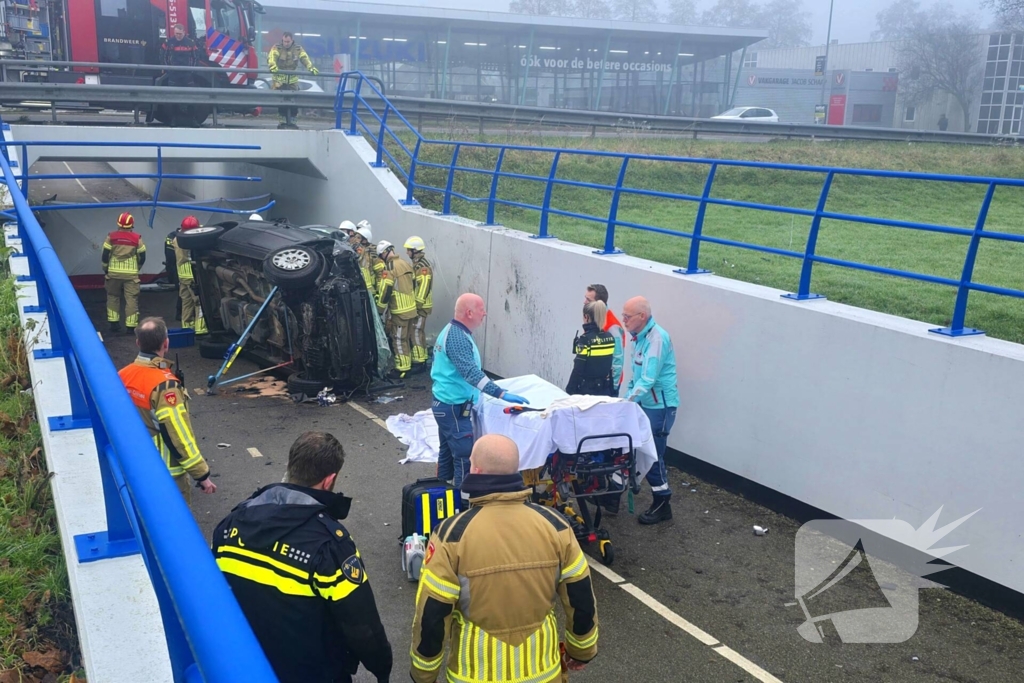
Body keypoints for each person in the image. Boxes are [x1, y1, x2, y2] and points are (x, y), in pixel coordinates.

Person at [409, 434, 598, 683]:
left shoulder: (451, 535)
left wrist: (424, 674)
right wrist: (582, 651)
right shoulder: (556, 525)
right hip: (543, 673)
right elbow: (580, 596)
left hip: (473, 676)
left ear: (476, 470)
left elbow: (432, 614)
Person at [213, 432, 393, 683]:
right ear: (329, 480)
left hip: (246, 664)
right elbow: (361, 624)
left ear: (291, 467)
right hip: (311, 671)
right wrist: (382, 667)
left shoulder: (230, 525)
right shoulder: (329, 545)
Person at [431, 293, 527, 495]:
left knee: (448, 452)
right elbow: (471, 373)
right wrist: (499, 393)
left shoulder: (455, 332)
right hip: (454, 407)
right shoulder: (457, 338)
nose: (485, 313)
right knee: (464, 456)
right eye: (482, 309)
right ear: (469, 313)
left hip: (447, 404)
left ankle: (441, 493)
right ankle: (465, 501)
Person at [118, 317, 216, 502]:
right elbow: (177, 434)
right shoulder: (165, 386)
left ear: (138, 342)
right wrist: (201, 474)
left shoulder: (122, 375)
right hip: (165, 471)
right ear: (166, 343)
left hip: (132, 461)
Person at [622, 296, 679, 525]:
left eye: (627, 316)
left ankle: (663, 503)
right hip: (645, 403)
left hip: (660, 407)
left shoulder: (656, 339)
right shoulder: (639, 337)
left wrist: (625, 403)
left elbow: (647, 379)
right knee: (634, 449)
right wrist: (626, 399)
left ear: (642, 316)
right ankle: (614, 495)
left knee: (653, 455)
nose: (624, 320)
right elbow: (635, 377)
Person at [375, 240, 418, 379]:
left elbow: (385, 291)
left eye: (380, 256)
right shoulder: (405, 263)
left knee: (399, 340)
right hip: (411, 308)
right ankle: (408, 364)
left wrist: (379, 309)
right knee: (406, 338)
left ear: (384, 253)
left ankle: (402, 369)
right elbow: (414, 284)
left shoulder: (389, 268)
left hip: (400, 310)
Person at [102, 212, 146, 334]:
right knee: (131, 299)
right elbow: (142, 256)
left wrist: (106, 268)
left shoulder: (111, 237)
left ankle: (114, 324)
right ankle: (131, 327)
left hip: (113, 273)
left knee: (113, 297)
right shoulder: (137, 238)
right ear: (132, 224)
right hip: (131, 275)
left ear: (118, 224)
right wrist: (137, 268)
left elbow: (105, 255)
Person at [267, 31, 319, 129]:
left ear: (292, 40)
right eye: (284, 41)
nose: (286, 43)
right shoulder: (277, 47)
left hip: (292, 81)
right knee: (281, 102)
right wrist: (272, 65)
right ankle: (282, 122)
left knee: (294, 102)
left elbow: (304, 58)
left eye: (288, 41)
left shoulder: (298, 49)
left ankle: (293, 121)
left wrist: (310, 67)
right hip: (280, 80)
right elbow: (272, 57)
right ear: (282, 40)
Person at [566, 300, 616, 396]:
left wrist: (569, 390)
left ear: (586, 317)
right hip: (605, 390)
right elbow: (610, 367)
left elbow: (578, 368)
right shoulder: (610, 338)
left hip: (587, 392)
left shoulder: (585, 339)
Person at [585, 284, 625, 396]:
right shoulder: (595, 319)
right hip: (596, 383)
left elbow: (618, 359)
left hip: (606, 386)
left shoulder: (612, 327)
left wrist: (613, 388)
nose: (584, 302)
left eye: (588, 300)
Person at [173, 216, 208, 335]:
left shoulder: (176, 239)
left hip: (182, 275)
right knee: (199, 302)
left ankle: (187, 329)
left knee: (186, 303)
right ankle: (201, 330)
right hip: (193, 274)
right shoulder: (192, 240)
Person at [404, 235, 432, 374]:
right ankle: (422, 357)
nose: (407, 252)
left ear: (415, 250)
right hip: (420, 305)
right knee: (418, 331)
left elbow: (424, 286)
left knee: (415, 331)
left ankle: (419, 362)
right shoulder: (418, 264)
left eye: (408, 250)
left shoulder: (422, 266)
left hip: (421, 306)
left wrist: (418, 304)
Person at [163, 229, 182, 322]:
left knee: (182, 294)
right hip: (184, 272)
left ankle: (180, 314)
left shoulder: (171, 237)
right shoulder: (182, 238)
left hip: (178, 271)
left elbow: (169, 258)